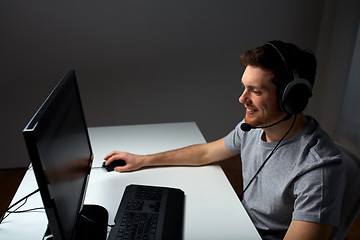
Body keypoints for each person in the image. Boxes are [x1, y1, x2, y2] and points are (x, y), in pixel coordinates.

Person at [104, 40, 345, 240]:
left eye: (256, 91)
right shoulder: (254, 128)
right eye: (244, 87)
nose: (242, 99)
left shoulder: (318, 169)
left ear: (291, 99)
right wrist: (143, 160)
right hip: (238, 223)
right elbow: (206, 153)